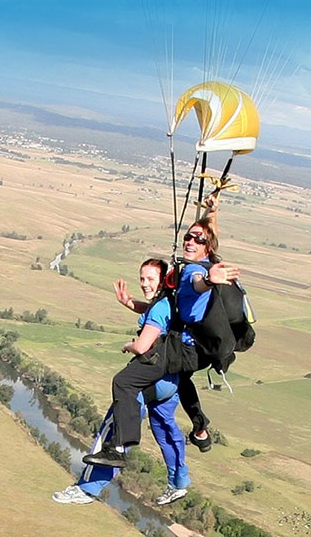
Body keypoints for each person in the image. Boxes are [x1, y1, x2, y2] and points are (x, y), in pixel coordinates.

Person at [85, 207, 240, 467]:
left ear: (208, 247)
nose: (191, 242)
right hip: (196, 352)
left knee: (124, 383)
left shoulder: (193, 273)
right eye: (188, 237)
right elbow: (164, 310)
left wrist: (209, 282)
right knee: (182, 382)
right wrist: (212, 209)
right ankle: (200, 431)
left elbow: (195, 284)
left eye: (198, 240)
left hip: (183, 352)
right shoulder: (193, 270)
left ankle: (118, 449)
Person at [54, 259, 190, 505]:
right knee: (166, 430)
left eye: (150, 279)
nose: (144, 284)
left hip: (149, 379)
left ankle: (87, 488)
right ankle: (179, 481)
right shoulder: (172, 303)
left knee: (115, 424)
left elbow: (141, 346)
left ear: (163, 280)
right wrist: (128, 302)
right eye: (142, 279)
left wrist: (127, 346)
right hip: (171, 381)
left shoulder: (160, 308)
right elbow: (150, 310)